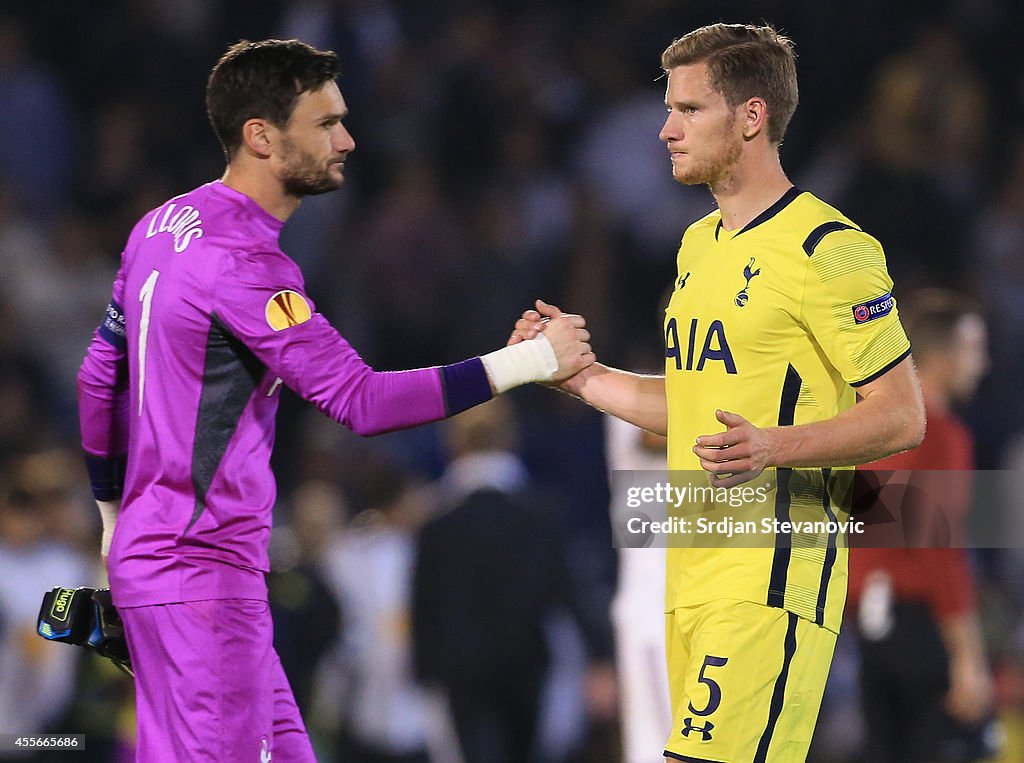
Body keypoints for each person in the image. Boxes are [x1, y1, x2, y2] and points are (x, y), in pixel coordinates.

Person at [75, 38, 594, 761]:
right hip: (202, 577)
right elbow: (362, 400)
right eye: (325, 123)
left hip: (168, 564)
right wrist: (532, 360)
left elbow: (98, 377)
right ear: (261, 135)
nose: (347, 139)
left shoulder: (158, 227)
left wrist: (110, 516)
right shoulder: (248, 265)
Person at [512, 23, 926, 763]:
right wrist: (581, 377)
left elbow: (901, 414)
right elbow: (693, 407)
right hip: (692, 564)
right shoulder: (699, 245)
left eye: (690, 110)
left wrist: (774, 445)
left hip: (771, 570)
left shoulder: (829, 250)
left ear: (751, 116)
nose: (667, 130)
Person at [411, 397, 616, 763]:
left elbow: (423, 608)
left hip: (461, 673)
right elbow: (570, 590)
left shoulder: (437, 526)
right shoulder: (541, 516)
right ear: (511, 438)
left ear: (453, 443)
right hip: (527, 665)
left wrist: (422, 674)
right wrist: (599, 656)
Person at [849, 289, 995, 762]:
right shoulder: (940, 432)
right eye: (974, 349)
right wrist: (968, 658)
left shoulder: (867, 428)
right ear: (939, 356)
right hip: (920, 622)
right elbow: (940, 555)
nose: (983, 363)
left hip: (867, 621)